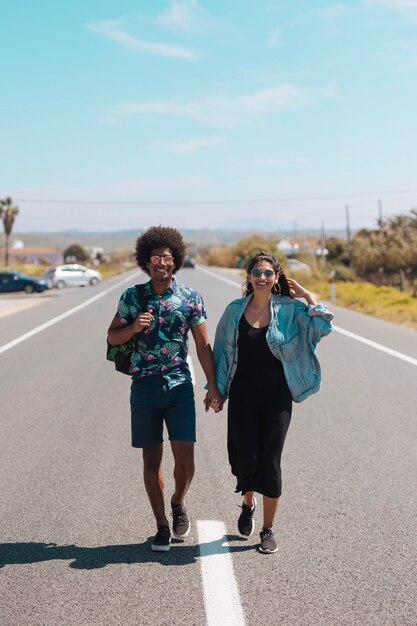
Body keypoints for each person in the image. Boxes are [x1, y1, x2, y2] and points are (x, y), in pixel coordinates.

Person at [107, 226, 222, 552]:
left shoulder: (190, 299)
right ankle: (160, 525)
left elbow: (202, 345)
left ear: (175, 262)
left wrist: (213, 385)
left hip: (179, 387)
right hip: (144, 388)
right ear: (147, 261)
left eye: (167, 257)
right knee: (151, 460)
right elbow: (112, 337)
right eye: (155, 256)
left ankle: (177, 501)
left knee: (186, 460)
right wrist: (133, 327)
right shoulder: (132, 297)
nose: (161, 262)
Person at [211, 251, 333, 554]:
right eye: (257, 272)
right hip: (242, 395)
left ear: (276, 278)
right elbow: (222, 355)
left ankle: (267, 530)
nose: (262, 278)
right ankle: (247, 502)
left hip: (277, 397)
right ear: (249, 277)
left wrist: (307, 295)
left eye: (268, 273)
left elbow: (322, 327)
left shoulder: (290, 310)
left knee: (271, 461)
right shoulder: (234, 311)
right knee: (246, 459)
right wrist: (217, 391)